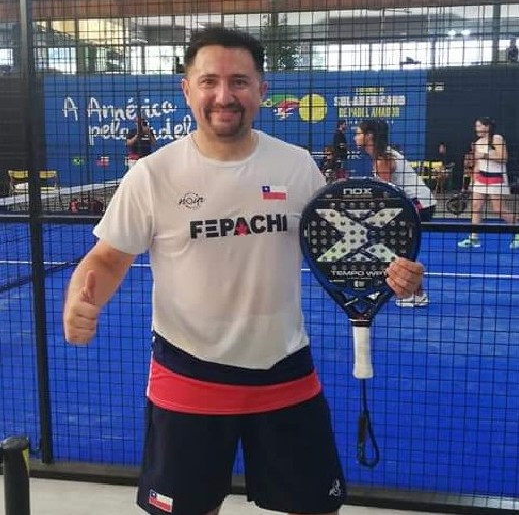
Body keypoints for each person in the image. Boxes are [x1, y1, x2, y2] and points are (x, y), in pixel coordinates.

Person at [63, 27, 425, 515]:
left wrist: (396, 276)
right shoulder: (152, 175)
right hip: (187, 373)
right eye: (209, 81)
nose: (224, 95)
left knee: (315, 507)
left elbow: (347, 249)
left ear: (261, 90)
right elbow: (107, 258)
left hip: (284, 369)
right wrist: (79, 300)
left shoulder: (297, 167)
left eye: (239, 81)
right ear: (187, 89)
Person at [355, 118, 436, 308]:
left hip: (419, 204)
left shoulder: (383, 159)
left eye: (358, 133)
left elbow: (386, 196)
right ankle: (389, 288)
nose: (355, 137)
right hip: (413, 203)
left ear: (369, 136)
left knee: (394, 246)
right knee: (389, 245)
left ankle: (412, 293)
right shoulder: (381, 156)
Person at [458, 117, 519, 249]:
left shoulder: (497, 138)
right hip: (481, 178)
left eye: (479, 126)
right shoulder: (477, 143)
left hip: (496, 178)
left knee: (499, 209)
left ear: (487, 127)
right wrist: (472, 182)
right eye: (476, 126)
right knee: (476, 206)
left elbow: (503, 158)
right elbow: (477, 164)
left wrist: (484, 155)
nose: (476, 129)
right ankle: (474, 238)